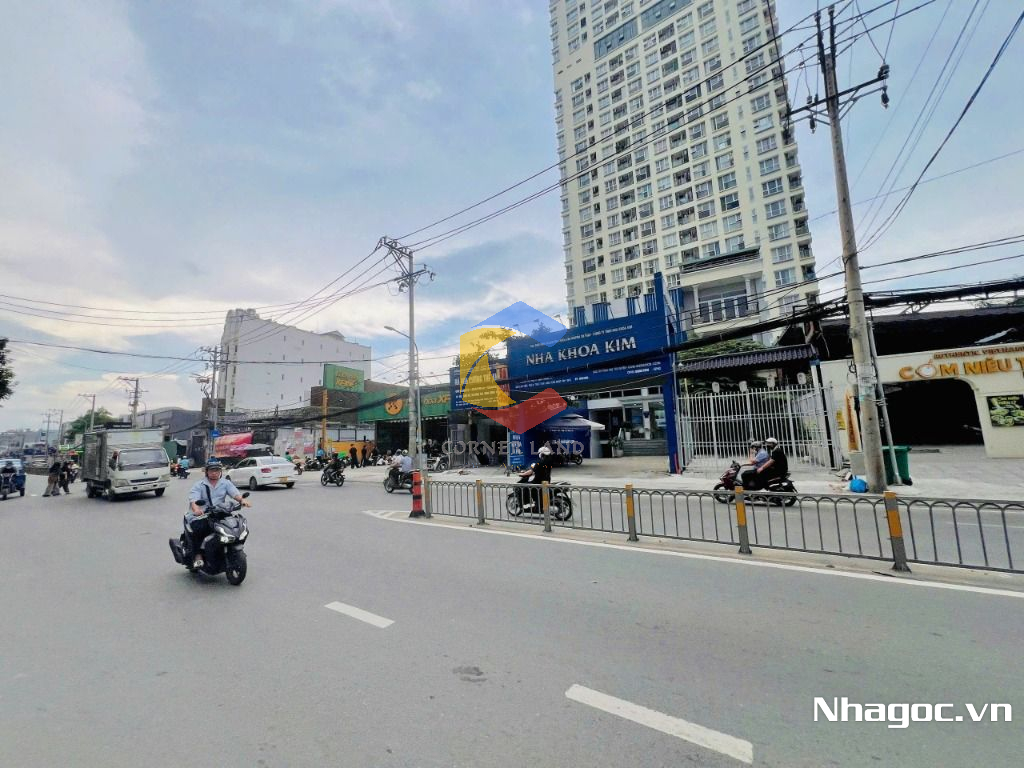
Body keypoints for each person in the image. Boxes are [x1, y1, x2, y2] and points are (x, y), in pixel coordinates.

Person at [186, 460, 251, 569]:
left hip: (220, 512)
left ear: (220, 471)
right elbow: (194, 500)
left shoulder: (225, 483)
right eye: (212, 470)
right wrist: (196, 509)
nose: (214, 473)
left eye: (217, 470)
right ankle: (198, 555)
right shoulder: (199, 485)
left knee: (235, 526)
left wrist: (242, 500)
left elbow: (234, 493)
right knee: (200, 529)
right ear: (207, 472)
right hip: (203, 514)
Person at [516, 446, 553, 510]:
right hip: (546, 482)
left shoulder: (540, 463)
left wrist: (521, 474)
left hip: (538, 483)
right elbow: (538, 471)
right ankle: (535, 503)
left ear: (541, 454)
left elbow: (531, 472)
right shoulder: (549, 462)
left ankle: (526, 504)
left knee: (523, 487)